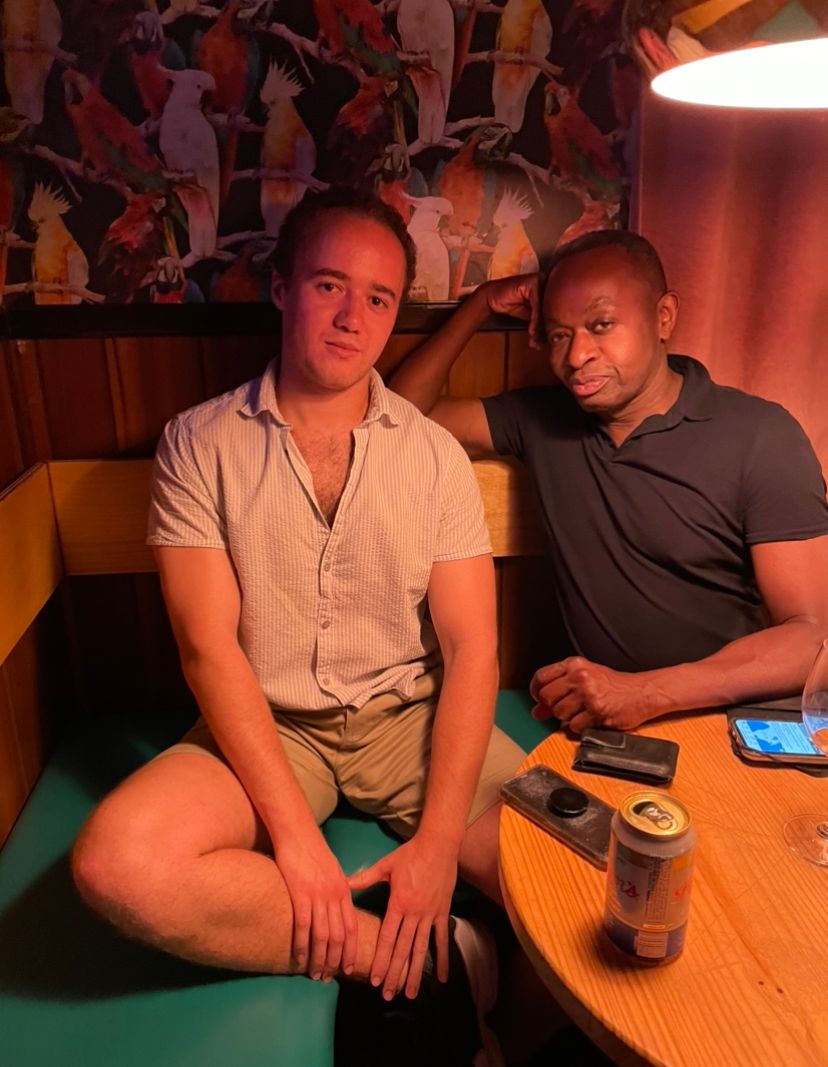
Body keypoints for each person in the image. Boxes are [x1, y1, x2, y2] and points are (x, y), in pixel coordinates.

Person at [71, 188, 525, 1065]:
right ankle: (420, 962)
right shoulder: (198, 443)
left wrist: (437, 846)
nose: (354, 317)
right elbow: (207, 646)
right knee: (117, 863)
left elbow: (474, 649)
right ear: (282, 288)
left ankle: (472, 968)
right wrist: (296, 841)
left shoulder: (433, 456)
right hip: (270, 725)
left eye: (379, 298)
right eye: (329, 285)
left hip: (410, 720)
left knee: (587, 876)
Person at [390, 229, 828, 734]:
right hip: (604, 725)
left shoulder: (760, 435)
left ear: (664, 317)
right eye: (559, 335)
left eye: (601, 325)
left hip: (728, 723)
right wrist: (480, 304)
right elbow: (400, 415)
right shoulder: (541, 419)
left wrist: (646, 692)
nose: (577, 355)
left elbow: (813, 636)